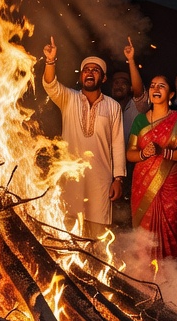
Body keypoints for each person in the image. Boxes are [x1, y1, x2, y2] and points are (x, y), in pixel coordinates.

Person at [42, 38, 126, 242]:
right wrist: (50, 61)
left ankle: (95, 271)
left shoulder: (113, 106)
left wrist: (118, 179)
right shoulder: (68, 98)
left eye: (95, 70)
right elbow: (50, 84)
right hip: (72, 179)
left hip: (101, 180)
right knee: (69, 230)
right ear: (81, 76)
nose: (90, 72)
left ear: (103, 78)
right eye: (86, 70)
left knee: (97, 235)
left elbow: (117, 144)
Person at [125, 73, 177, 261]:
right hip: (143, 185)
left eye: (161, 86)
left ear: (170, 95)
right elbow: (130, 154)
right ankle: (142, 281)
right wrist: (144, 154)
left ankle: (171, 283)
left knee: (171, 233)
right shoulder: (140, 120)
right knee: (144, 237)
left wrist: (166, 152)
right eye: (152, 85)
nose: (155, 89)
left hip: (172, 186)